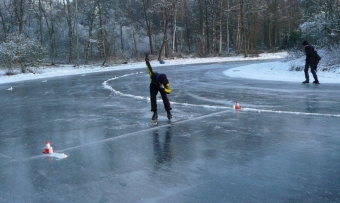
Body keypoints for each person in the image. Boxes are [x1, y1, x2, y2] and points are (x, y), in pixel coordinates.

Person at [145, 54, 172, 121]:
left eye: (163, 83)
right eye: (161, 82)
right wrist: (147, 61)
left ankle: (168, 112)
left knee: (165, 98)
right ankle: (155, 113)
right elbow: (149, 68)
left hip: (162, 88)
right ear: (158, 81)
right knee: (153, 98)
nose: (161, 83)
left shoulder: (166, 82)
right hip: (153, 85)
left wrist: (163, 88)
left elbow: (169, 91)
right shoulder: (153, 76)